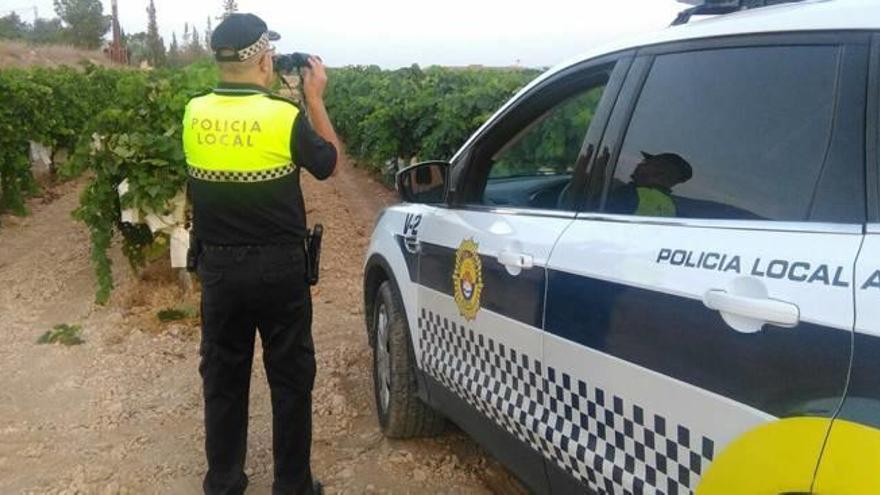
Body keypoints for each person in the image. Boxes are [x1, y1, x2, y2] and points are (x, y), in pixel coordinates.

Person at [181, 12, 340, 495]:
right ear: (265, 60)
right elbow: (329, 163)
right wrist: (312, 99)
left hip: (220, 269)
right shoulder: (283, 117)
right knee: (290, 380)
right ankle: (292, 485)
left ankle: (224, 481)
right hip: (280, 270)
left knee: (224, 377)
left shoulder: (193, 112)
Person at [608, 151, 693, 217]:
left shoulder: (628, 195)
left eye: (645, 163)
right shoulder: (672, 206)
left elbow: (597, 213)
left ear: (659, 173)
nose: (638, 164)